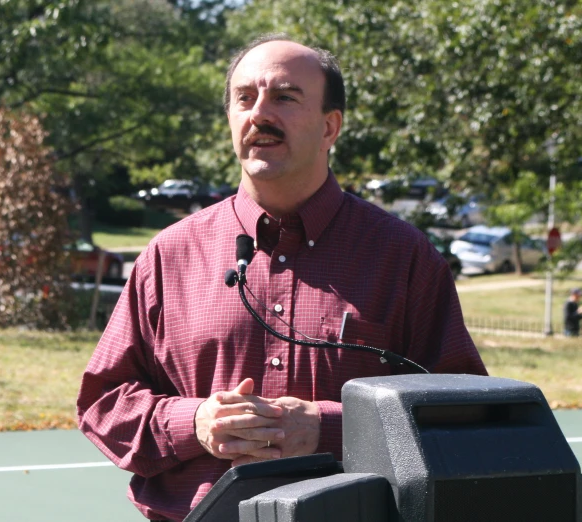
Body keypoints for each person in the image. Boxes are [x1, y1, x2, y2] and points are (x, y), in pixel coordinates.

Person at [76, 34, 487, 522]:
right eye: (245, 98)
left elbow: (464, 416)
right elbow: (104, 405)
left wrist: (330, 428)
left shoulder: (403, 257)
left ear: (330, 127)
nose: (259, 114)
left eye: (285, 97)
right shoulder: (169, 255)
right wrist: (196, 422)